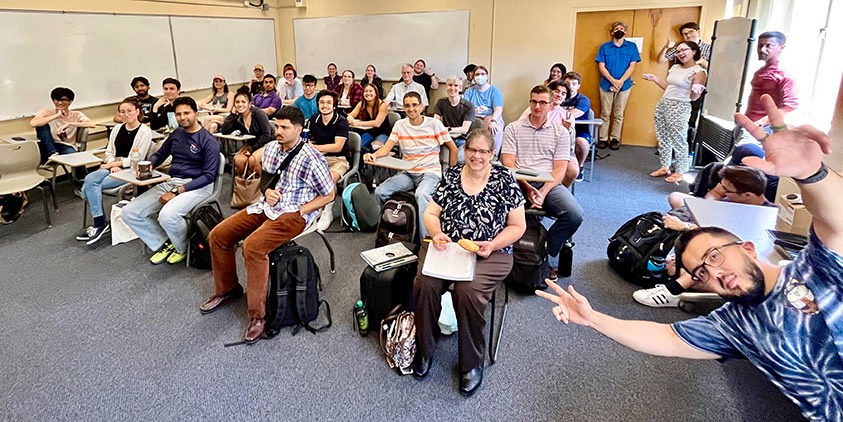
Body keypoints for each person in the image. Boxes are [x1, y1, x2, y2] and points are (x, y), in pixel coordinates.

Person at [539, 94, 842, 420]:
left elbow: (834, 222)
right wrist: (594, 319)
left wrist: (811, 173)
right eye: (700, 275)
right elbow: (666, 338)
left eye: (714, 257)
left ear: (747, 247)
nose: (714, 275)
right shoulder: (736, 325)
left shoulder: (816, 269)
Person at [201, 106, 335, 344]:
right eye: (277, 126)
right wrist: (267, 190)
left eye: (284, 128)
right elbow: (265, 175)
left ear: (299, 129)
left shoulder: (312, 158)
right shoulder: (273, 148)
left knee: (253, 246)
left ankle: (258, 316)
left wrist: (301, 210)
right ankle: (228, 289)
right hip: (266, 206)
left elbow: (329, 194)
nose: (278, 131)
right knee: (219, 235)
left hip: (295, 213)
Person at [412, 129, 527, 396]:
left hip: (492, 252)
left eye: (483, 151)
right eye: (471, 150)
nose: (476, 156)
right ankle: (425, 349)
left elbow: (518, 226)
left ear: (492, 154)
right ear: (465, 151)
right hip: (448, 247)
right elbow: (431, 213)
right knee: (425, 284)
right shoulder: (451, 176)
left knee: (467, 292)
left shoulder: (504, 179)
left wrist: (493, 244)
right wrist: (437, 232)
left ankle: (472, 363)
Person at [635, 165, 777, 308]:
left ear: (747, 195)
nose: (724, 193)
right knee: (677, 199)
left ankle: (674, 290)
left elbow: (730, 240)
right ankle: (680, 270)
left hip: (735, 264)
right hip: (718, 243)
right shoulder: (737, 202)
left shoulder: (766, 217)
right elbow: (714, 198)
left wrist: (686, 226)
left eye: (727, 191)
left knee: (709, 257)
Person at [122, 96, 220, 265]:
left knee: (167, 216)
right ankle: (165, 242)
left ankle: (182, 248)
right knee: (129, 212)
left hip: (198, 185)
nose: (182, 117)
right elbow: (160, 154)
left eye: (186, 113)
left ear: (196, 113)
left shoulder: (208, 140)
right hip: (173, 181)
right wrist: (150, 164)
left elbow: (209, 176)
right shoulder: (177, 134)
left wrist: (177, 192)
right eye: (178, 114)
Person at [500, 85, 583, 283]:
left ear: (550, 105)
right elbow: (509, 164)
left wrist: (544, 192)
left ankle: (545, 253)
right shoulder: (513, 128)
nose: (537, 106)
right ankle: (503, 255)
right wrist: (528, 188)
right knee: (496, 207)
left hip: (549, 183)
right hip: (518, 182)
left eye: (542, 102)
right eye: (534, 102)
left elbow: (560, 169)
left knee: (574, 215)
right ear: (530, 103)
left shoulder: (560, 132)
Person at [364, 92, 457, 239]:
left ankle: (425, 240)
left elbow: (453, 148)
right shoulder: (400, 125)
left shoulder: (434, 124)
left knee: (421, 195)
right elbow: (387, 148)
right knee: (380, 192)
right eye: (407, 105)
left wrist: (452, 176)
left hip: (430, 172)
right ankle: (388, 230)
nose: (411, 109)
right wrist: (374, 155)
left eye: (414, 105)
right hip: (408, 172)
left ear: (421, 107)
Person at [76, 99, 154, 245]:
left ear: (138, 111)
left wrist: (116, 164)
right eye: (122, 112)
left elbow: (137, 159)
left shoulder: (144, 131)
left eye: (129, 111)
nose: (126, 114)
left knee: (91, 185)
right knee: (90, 179)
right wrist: (112, 164)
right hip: (112, 167)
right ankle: (100, 224)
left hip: (130, 170)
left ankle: (99, 224)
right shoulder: (117, 129)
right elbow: (109, 151)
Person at [642, 41, 707, 184]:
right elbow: (669, 87)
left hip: (680, 106)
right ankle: (665, 166)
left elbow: (693, 97)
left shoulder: (699, 72)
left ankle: (680, 171)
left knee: (679, 139)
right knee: (663, 136)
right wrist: (655, 79)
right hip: (664, 103)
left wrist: (697, 92)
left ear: (694, 51)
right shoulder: (675, 67)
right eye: (678, 51)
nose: (681, 53)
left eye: (684, 50)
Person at [739, 31, 798, 144]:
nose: (762, 50)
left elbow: (789, 106)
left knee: (745, 159)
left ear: (781, 47)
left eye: (768, 45)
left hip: (763, 130)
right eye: (760, 45)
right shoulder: (761, 71)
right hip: (749, 125)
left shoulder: (784, 74)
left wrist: (760, 123)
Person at [519, 80, 578, 185]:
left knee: (573, 170)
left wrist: (567, 130)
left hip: (560, 149)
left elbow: (570, 143)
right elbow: (520, 127)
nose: (559, 95)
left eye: (563, 93)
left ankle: (558, 189)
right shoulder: (534, 108)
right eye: (557, 91)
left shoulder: (568, 117)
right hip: (534, 145)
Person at [595, 21, 641, 151]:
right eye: (616, 29)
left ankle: (615, 138)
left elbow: (632, 66)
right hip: (606, 84)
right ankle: (603, 138)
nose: (619, 30)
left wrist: (620, 81)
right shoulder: (604, 47)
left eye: (622, 28)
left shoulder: (631, 47)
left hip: (625, 85)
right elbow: (601, 66)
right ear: (612, 32)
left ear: (625, 31)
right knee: (605, 113)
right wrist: (613, 81)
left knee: (619, 114)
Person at [308, 90, 350, 230]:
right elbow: (309, 141)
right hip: (319, 158)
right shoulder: (314, 119)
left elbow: (338, 147)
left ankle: (327, 211)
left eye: (328, 103)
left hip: (339, 159)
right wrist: (318, 149)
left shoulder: (341, 121)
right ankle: (316, 207)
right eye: (321, 102)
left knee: (329, 177)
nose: (324, 105)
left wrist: (316, 147)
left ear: (334, 106)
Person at [659, 22, 712, 129]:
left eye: (690, 32)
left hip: (697, 86)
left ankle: (687, 141)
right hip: (680, 86)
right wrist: (666, 47)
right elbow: (661, 60)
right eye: (685, 34)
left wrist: (701, 62)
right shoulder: (680, 47)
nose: (688, 36)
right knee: (672, 119)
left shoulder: (709, 48)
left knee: (692, 117)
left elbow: (715, 69)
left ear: (698, 32)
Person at [30, 87, 96, 160]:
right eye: (57, 100)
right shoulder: (46, 112)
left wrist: (70, 123)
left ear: (70, 101)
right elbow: (33, 123)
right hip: (47, 145)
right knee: (41, 125)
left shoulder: (77, 114)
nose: (60, 103)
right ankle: (52, 153)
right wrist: (56, 116)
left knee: (76, 159)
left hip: (64, 145)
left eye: (63, 100)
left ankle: (85, 171)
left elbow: (92, 124)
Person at [222, 87, 274, 177]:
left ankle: (258, 186)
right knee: (238, 160)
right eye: (237, 102)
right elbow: (224, 131)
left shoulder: (258, 113)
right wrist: (232, 114)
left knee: (253, 160)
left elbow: (267, 134)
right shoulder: (237, 117)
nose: (240, 104)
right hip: (252, 143)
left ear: (249, 104)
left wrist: (252, 149)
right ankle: (245, 184)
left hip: (267, 142)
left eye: (243, 102)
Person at [463, 65, 504, 155]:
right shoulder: (469, 91)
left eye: (482, 74)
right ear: (473, 77)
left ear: (487, 76)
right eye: (477, 74)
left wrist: (493, 120)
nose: (480, 76)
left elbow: (498, 108)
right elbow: (464, 108)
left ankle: (492, 155)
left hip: (490, 117)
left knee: (493, 128)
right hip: (474, 118)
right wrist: (474, 111)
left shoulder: (494, 90)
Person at [433, 75, 475, 162]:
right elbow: (435, 122)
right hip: (446, 139)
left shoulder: (469, 106)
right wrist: (445, 131)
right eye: (450, 85)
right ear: (446, 87)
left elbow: (464, 129)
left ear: (460, 88)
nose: (452, 88)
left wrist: (447, 129)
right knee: (441, 158)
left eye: (455, 85)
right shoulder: (441, 102)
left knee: (460, 159)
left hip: (462, 140)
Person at [562, 71, 594, 181]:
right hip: (560, 129)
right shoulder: (560, 97)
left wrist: (557, 113)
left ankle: (580, 167)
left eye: (574, 83)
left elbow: (575, 113)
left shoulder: (583, 100)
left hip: (579, 131)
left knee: (581, 142)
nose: (570, 86)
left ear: (578, 86)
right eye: (567, 83)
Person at [347, 83, 390, 150]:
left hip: (382, 133)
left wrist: (358, 123)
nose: (368, 93)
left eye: (370, 91)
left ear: (376, 93)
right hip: (369, 132)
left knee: (375, 147)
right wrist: (350, 119)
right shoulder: (362, 103)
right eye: (366, 91)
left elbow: (377, 123)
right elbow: (351, 115)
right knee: (357, 146)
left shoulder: (382, 105)